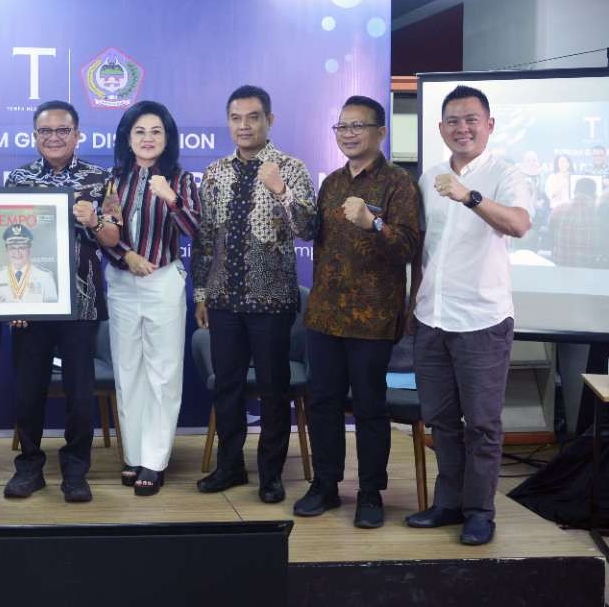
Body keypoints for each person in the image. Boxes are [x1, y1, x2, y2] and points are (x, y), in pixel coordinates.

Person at [405, 85, 532, 546]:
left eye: (471, 119)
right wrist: (412, 308)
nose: (462, 128)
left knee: (481, 424)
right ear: (441, 129)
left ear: (489, 125)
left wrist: (469, 196)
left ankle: (480, 511)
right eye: (453, 121)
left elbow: (518, 224)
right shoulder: (429, 177)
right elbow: (425, 251)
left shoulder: (505, 174)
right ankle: (448, 503)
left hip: (482, 321)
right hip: (432, 318)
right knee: (441, 422)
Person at [294, 96, 422, 529]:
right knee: (324, 403)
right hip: (326, 315)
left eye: (358, 125)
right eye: (342, 126)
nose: (348, 133)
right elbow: (312, 235)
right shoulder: (330, 183)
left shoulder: (399, 184)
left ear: (380, 132)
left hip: (373, 317)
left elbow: (408, 247)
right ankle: (325, 486)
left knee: (369, 407)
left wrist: (375, 224)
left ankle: (370, 493)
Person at [193, 85, 316, 504]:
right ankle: (230, 466)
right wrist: (201, 293)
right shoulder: (214, 173)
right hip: (225, 299)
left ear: (269, 120)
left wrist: (281, 190)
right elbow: (205, 237)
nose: (244, 126)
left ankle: (271, 474)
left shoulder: (291, 167)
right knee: (226, 386)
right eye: (236, 118)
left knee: (273, 388)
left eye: (253, 117)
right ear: (228, 122)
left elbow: (308, 229)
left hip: (273, 302)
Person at [2, 100, 109, 504]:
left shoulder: (100, 180)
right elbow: (2, 243)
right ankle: (29, 466)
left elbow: (114, 239)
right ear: (34, 136)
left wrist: (93, 220)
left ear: (77, 134)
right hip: (29, 301)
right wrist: (11, 303)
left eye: (62, 130)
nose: (53, 138)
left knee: (81, 394)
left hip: (81, 304)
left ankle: (76, 469)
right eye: (45, 131)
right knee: (28, 390)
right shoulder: (18, 179)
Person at [94, 99, 200, 496]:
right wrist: (127, 256)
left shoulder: (181, 179)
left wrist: (171, 198)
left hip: (164, 281)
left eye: (156, 131)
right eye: (139, 131)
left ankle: (155, 460)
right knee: (128, 371)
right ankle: (134, 454)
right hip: (122, 282)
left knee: (163, 373)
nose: (148, 138)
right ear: (127, 137)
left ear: (167, 137)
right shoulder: (113, 179)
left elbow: (196, 229)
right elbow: (102, 232)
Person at [0, 224, 58, 303]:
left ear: (29, 250)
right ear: (6, 250)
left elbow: (52, 309)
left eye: (22, 247)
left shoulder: (45, 277)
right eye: (12, 248)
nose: (17, 253)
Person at [549, 176, 598, 268]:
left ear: (574, 191)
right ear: (594, 194)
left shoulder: (558, 209)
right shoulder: (598, 211)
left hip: (561, 267)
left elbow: (551, 236)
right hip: (590, 270)